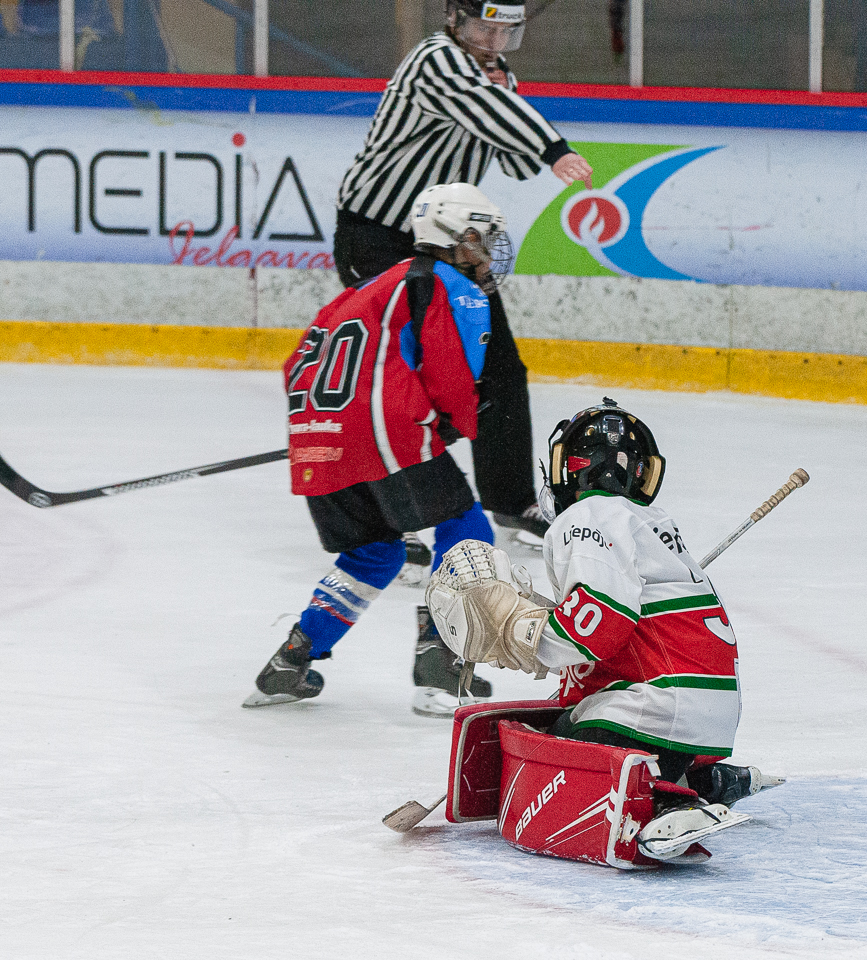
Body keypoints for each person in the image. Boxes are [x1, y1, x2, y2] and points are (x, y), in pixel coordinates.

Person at [424, 400, 777, 859]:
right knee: (572, 718)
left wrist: (524, 635)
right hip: (707, 716)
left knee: (551, 745)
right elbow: (611, 637)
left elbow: (599, 624)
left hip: (654, 707)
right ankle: (703, 776)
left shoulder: (587, 516)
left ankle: (666, 801)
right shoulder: (651, 524)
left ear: (566, 467)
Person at [245, 182, 516, 718]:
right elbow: (453, 376)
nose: (485, 253)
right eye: (482, 240)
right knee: (467, 529)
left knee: (376, 552)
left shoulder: (364, 289)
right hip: (384, 428)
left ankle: (289, 663)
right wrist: (453, 422)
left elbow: (296, 366)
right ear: (460, 238)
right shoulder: (450, 286)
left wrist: (327, 432)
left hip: (314, 436)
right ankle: (442, 664)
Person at [334, 0, 593, 543]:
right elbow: (496, 120)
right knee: (393, 377)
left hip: (452, 242)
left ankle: (511, 499)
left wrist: (511, 99)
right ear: (454, 19)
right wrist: (554, 148)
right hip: (379, 233)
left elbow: (515, 161)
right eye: (484, 26)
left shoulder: (494, 79)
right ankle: (384, 516)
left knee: (497, 364)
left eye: (506, 31)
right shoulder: (435, 60)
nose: (494, 40)